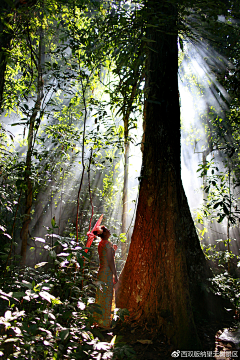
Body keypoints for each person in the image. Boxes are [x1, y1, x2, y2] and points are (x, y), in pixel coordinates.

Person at [93, 225, 118, 329]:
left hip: (101, 272)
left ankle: (99, 321)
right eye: (107, 231)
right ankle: (105, 324)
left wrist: (113, 251)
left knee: (101, 296)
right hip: (107, 273)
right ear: (104, 233)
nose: (109, 232)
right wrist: (115, 275)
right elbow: (110, 261)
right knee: (107, 297)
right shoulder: (107, 244)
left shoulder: (101, 244)